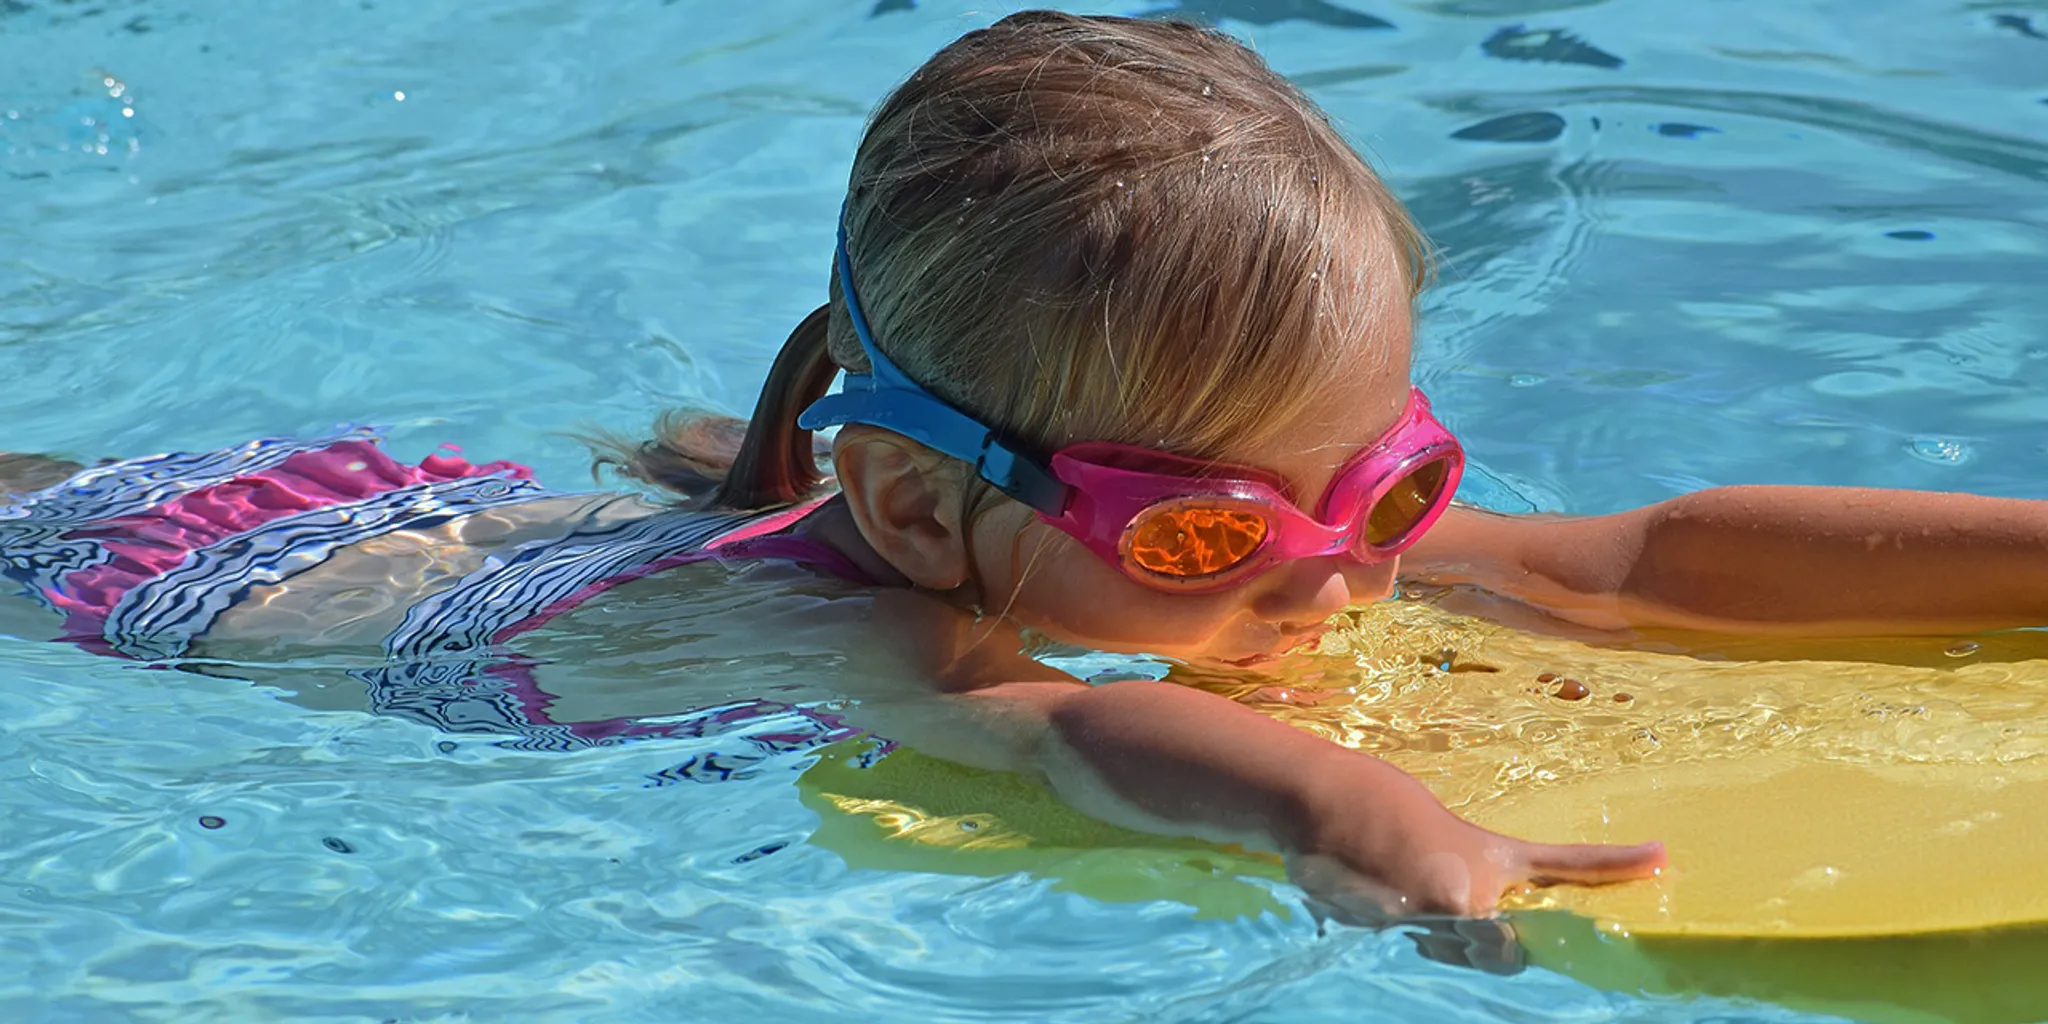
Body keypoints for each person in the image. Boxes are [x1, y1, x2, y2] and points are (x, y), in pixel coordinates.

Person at [4, 10, 2046, 922]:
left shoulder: (1270, 536)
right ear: (919, 515)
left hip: (469, 515)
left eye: (1394, 485)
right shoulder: (893, 633)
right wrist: (1370, 819)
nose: (1339, 576)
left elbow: (1639, 561)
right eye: (1205, 532)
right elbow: (1066, 745)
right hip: (199, 593)